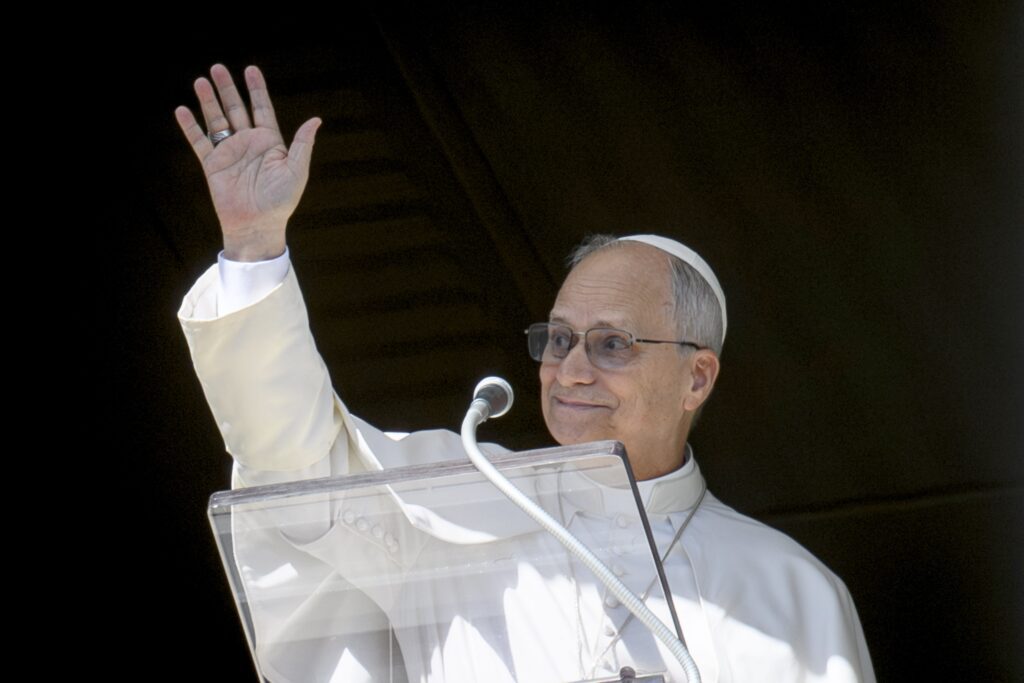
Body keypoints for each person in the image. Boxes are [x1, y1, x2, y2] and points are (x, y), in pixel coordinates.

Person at [177, 64, 875, 682]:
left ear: (697, 377)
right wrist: (254, 247)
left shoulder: (792, 594)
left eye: (611, 345)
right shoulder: (451, 512)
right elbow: (292, 462)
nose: (569, 369)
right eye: (559, 339)